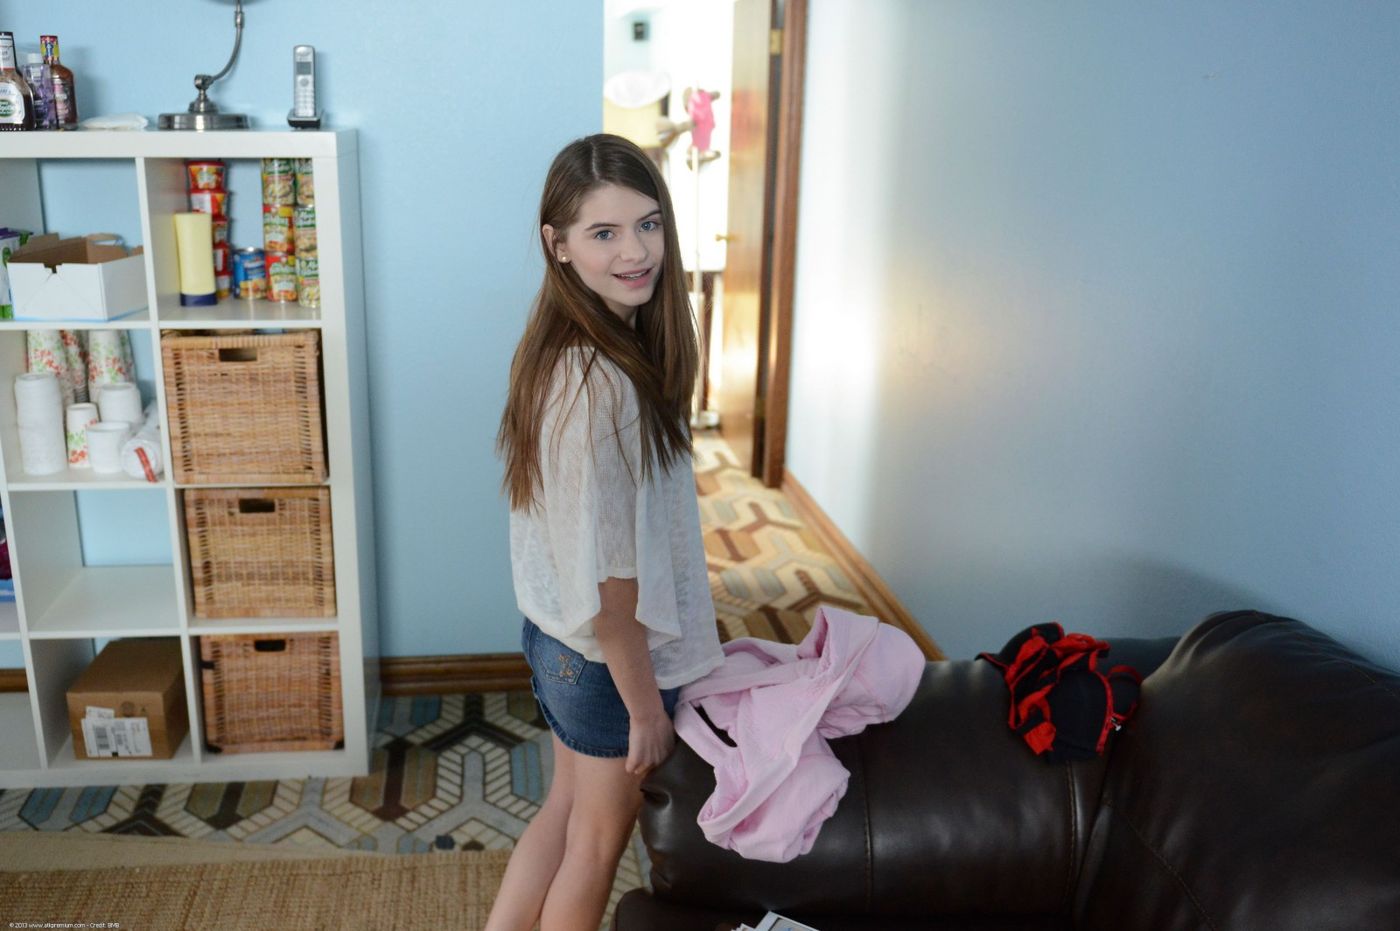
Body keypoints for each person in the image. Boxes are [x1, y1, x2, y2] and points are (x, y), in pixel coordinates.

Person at [485, 134, 724, 931]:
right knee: (594, 844)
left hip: (557, 640)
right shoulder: (602, 385)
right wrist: (646, 708)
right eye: (604, 232)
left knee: (564, 812)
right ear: (557, 244)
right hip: (604, 660)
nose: (636, 251)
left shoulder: (561, 351)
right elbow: (613, 584)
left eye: (648, 224)